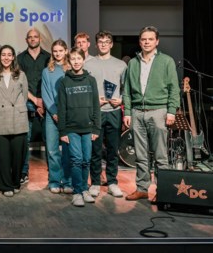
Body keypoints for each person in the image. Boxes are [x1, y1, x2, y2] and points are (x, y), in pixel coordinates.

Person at [123, 26, 180, 201]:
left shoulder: (167, 61)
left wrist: (171, 111)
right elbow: (126, 90)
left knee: (161, 155)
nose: (146, 42)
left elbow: (174, 89)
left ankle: (163, 191)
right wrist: (127, 112)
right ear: (140, 42)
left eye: (150, 39)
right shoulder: (133, 63)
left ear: (157, 41)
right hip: (137, 112)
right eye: (143, 39)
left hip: (159, 112)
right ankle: (142, 188)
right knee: (140, 155)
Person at [84, 31, 127, 198]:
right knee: (95, 150)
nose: (103, 44)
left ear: (111, 45)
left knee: (112, 150)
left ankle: (112, 183)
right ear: (96, 44)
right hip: (96, 113)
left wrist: (121, 100)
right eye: (100, 41)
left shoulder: (120, 65)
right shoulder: (88, 64)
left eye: (106, 41)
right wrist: (95, 100)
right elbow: (86, 89)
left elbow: (126, 89)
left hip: (114, 112)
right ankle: (95, 182)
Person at [57, 47, 101, 207]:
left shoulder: (91, 80)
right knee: (76, 160)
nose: (76, 62)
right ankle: (77, 192)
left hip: (88, 128)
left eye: (78, 58)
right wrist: (62, 130)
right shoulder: (64, 82)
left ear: (83, 60)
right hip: (71, 128)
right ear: (69, 61)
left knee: (86, 160)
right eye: (73, 59)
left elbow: (96, 105)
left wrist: (96, 128)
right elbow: (61, 107)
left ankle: (84, 190)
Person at [0, 45, 28, 197]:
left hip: (18, 118)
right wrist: (0, 111)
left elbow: (24, 96)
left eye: (9, 55)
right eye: (3, 55)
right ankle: (5, 186)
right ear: (0, 58)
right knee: (2, 156)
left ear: (13, 57)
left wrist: (16, 109)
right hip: (0, 119)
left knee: (18, 156)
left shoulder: (21, 75)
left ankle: (15, 182)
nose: (6, 57)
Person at [16, 28, 50, 185]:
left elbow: (51, 82)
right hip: (27, 102)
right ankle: (23, 173)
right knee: (25, 140)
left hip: (47, 103)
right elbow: (19, 83)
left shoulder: (49, 58)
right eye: (30, 37)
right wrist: (35, 100)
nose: (33, 39)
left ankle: (54, 175)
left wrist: (42, 101)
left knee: (50, 140)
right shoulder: (20, 58)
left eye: (35, 37)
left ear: (40, 39)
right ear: (26, 39)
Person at [41, 39, 72, 194]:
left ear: (66, 51)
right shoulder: (47, 71)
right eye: (55, 51)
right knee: (53, 150)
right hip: (51, 115)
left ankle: (67, 181)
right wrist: (54, 113)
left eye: (61, 50)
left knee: (67, 150)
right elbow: (46, 94)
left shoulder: (71, 69)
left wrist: (65, 114)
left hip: (69, 116)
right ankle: (54, 181)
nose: (58, 53)